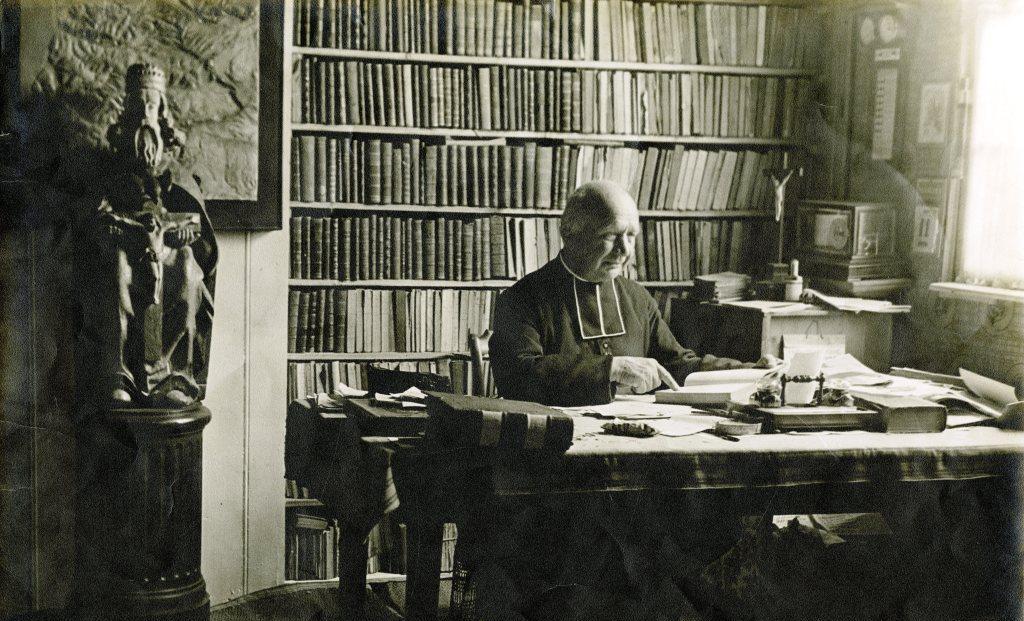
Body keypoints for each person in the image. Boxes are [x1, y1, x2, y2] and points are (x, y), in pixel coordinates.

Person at [490, 179, 775, 406]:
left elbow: (677, 365)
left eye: (631, 236)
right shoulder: (521, 300)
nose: (624, 250)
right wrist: (611, 369)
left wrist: (751, 370)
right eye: (610, 235)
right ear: (570, 233)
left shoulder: (636, 298)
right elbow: (518, 378)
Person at [77, 63, 217, 409]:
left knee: (188, 271)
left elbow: (198, 227)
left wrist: (184, 236)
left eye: (151, 107)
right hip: (127, 248)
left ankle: (174, 377)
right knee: (117, 269)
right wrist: (112, 230)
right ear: (127, 113)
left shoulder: (178, 170)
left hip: (168, 250)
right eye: (137, 107)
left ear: (161, 112)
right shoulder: (110, 169)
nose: (144, 116)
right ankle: (120, 375)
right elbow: (97, 218)